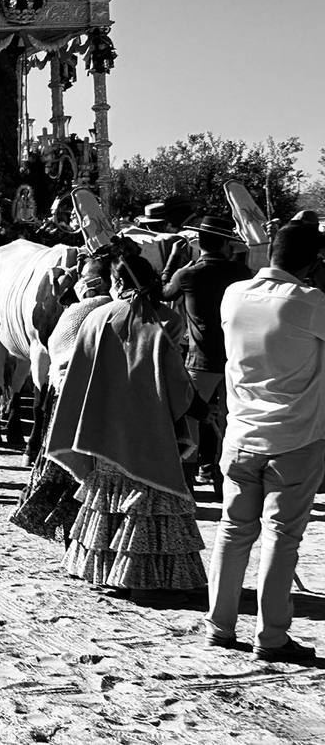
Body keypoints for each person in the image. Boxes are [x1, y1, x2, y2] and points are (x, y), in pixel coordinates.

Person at [46, 254, 203, 598]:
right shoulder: (166, 321)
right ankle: (148, 578)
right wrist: (200, 408)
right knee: (148, 495)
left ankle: (105, 572)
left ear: (117, 284)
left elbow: (78, 373)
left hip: (101, 426)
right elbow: (175, 381)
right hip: (151, 429)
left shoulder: (96, 317)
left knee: (108, 494)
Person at [205, 222, 325, 663]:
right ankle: (271, 636)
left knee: (233, 532)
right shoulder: (309, 303)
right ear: (313, 263)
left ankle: (219, 624)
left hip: (240, 435)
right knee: (281, 537)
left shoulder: (233, 295)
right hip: (295, 439)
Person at [11, 252, 115, 541]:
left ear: (94, 282)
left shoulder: (86, 309)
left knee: (68, 471)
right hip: (102, 404)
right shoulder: (120, 309)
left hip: (70, 401)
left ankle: (73, 534)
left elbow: (51, 342)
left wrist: (60, 297)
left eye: (83, 278)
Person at [163, 216, 253, 497]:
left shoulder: (188, 274)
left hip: (200, 361)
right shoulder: (241, 273)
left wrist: (173, 262)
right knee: (231, 421)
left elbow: (164, 293)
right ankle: (223, 480)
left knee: (191, 421)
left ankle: (187, 484)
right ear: (226, 244)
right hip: (235, 359)